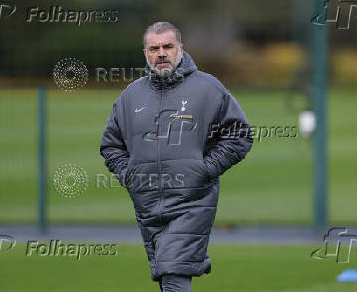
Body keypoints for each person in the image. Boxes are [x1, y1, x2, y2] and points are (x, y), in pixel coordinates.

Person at [100, 22, 253, 292]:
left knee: (173, 273)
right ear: (145, 53)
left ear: (181, 49)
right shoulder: (130, 96)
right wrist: (130, 176)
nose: (161, 53)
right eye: (154, 48)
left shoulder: (209, 88)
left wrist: (204, 170)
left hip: (191, 202)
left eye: (168, 47)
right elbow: (111, 145)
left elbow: (239, 134)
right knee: (166, 272)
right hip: (146, 204)